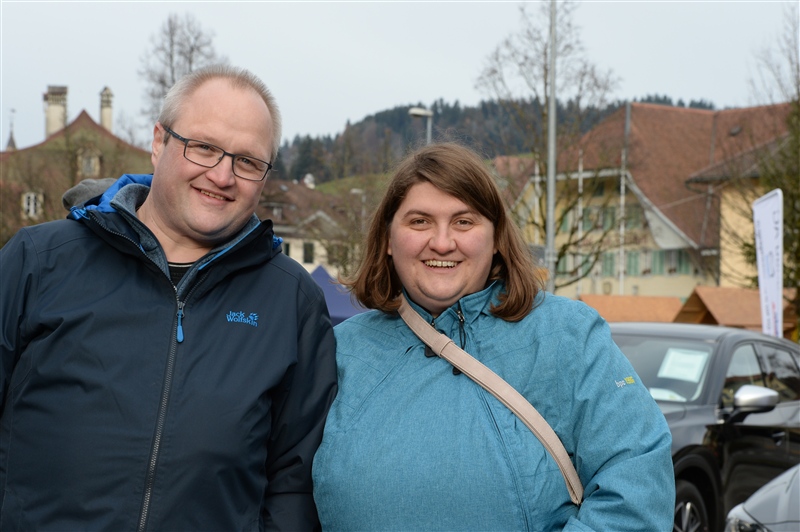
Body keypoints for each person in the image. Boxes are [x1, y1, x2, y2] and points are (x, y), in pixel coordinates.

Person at [0, 65, 337, 531]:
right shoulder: (38, 262)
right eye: (204, 147)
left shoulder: (293, 302)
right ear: (159, 142)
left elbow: (294, 487)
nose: (222, 175)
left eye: (247, 161)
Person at [312, 142, 674, 531]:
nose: (442, 242)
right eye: (419, 222)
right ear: (387, 238)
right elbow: (285, 488)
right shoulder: (340, 349)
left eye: (463, 222)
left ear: (497, 237)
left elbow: (636, 487)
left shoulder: (568, 337)